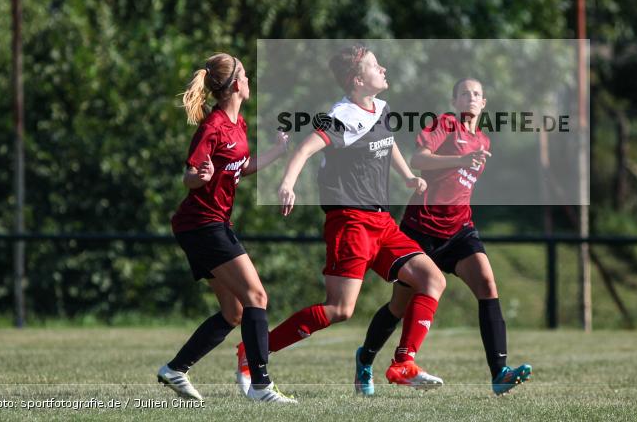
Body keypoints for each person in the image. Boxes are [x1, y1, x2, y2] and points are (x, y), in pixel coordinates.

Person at [235, 44, 447, 394]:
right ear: (357, 80)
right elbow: (305, 148)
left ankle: (403, 363)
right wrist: (287, 185)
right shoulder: (342, 116)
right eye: (375, 66)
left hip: (382, 223)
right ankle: (254, 350)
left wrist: (408, 176)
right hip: (351, 222)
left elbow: (388, 141)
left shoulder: (380, 108)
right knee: (339, 309)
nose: (383, 69)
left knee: (432, 279)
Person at [353, 78, 532, 396]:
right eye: (464, 93)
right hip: (421, 228)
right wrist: (460, 160)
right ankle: (365, 359)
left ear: (484, 103)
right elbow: (418, 160)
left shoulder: (483, 141)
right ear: (455, 101)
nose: (471, 97)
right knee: (399, 305)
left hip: (459, 230)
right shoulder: (446, 124)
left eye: (476, 94)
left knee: (487, 285)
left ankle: (500, 373)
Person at [156, 53, 295, 404]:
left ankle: (175, 369)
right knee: (257, 297)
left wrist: (278, 151)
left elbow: (241, 167)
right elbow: (189, 175)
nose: (249, 80)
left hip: (210, 224)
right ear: (234, 86)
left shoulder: (238, 124)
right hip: (201, 224)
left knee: (234, 312)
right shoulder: (213, 127)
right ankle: (261, 386)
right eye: (244, 75)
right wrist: (198, 177)